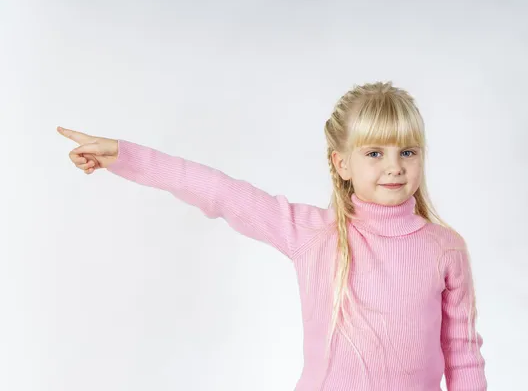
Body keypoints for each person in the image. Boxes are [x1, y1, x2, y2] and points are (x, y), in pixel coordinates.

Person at [57, 81, 487, 390]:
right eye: (374, 153)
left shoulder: (445, 248)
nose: (394, 166)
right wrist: (125, 156)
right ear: (342, 164)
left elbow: (463, 354)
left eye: (407, 152)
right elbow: (221, 192)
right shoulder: (312, 233)